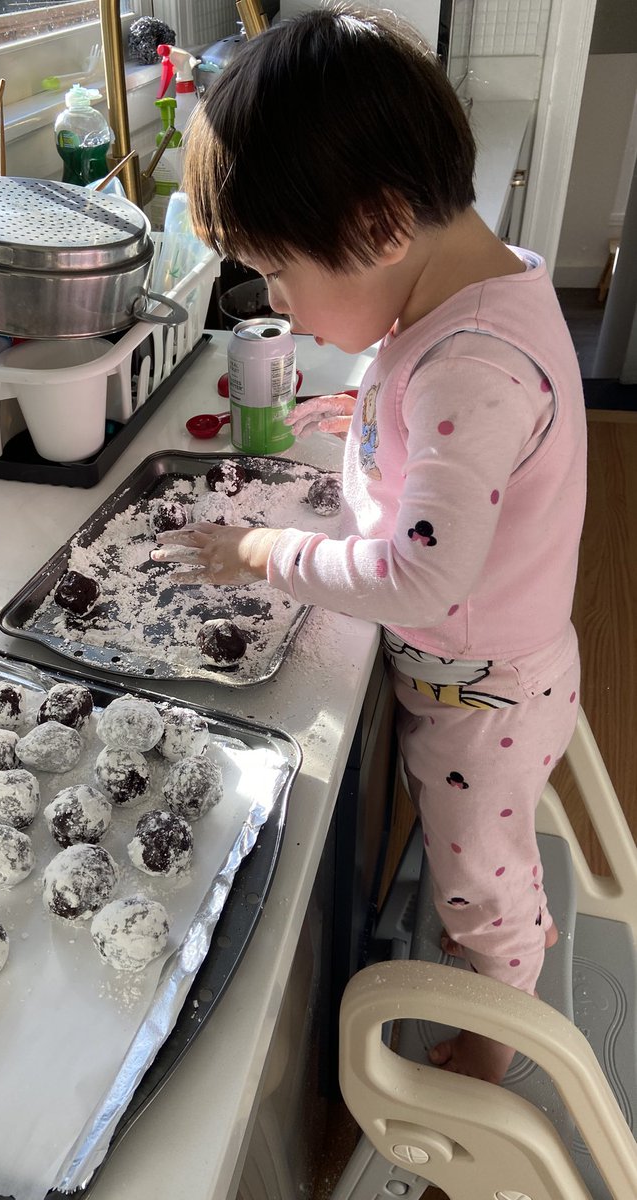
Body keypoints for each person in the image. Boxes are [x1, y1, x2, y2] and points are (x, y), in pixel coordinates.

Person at [151, 2, 587, 1084]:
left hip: (478, 695)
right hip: (496, 673)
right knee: (480, 858)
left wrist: (262, 557)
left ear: (384, 226)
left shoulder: (468, 368)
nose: (282, 307)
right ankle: (508, 940)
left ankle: (496, 1037)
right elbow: (459, 429)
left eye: (281, 275)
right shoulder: (481, 291)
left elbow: (420, 567)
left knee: (476, 882)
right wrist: (373, 422)